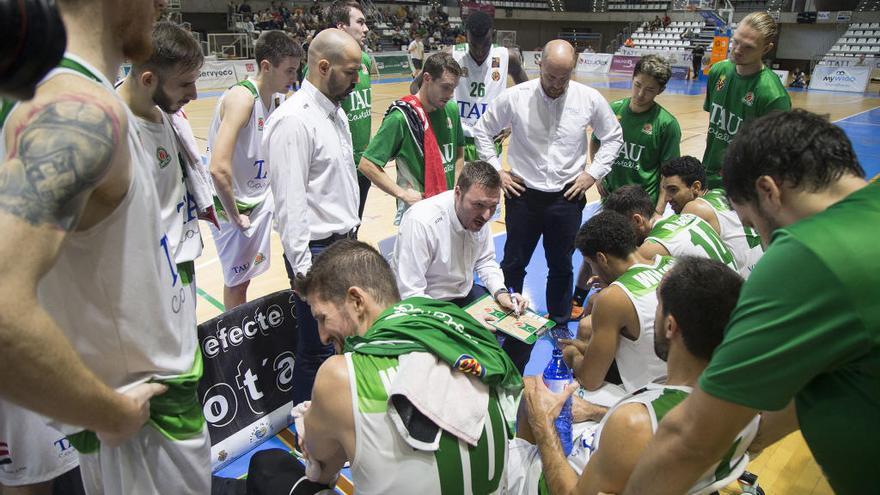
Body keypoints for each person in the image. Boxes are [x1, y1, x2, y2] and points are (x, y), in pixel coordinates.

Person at [0, 0, 212, 492]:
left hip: (139, 400)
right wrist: (108, 412)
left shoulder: (79, 94)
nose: (161, 6)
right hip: (142, 418)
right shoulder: (78, 110)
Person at [621, 109, 878, 495]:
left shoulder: (808, 255)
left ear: (769, 191)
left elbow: (691, 438)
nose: (760, 238)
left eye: (751, 223)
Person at [513, 257, 759, 495]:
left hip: (566, 480)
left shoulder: (632, 422)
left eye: (658, 308)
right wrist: (595, 411)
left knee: (531, 395)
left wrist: (543, 424)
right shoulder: (748, 404)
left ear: (671, 327)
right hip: (622, 463)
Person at [295, 239, 523, 493]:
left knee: (269, 467)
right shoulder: (461, 333)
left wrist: (313, 420)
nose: (322, 335)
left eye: (322, 318)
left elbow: (320, 468)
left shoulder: (338, 376)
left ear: (357, 301)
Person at [472, 40, 623, 372]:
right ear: (539, 63)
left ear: (574, 68)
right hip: (523, 194)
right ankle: (504, 314)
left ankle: (557, 322)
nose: (556, 84)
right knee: (513, 260)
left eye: (563, 77)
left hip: (567, 196)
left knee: (562, 265)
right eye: (551, 76)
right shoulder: (516, 96)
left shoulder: (589, 99)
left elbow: (613, 136)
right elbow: (482, 131)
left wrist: (592, 173)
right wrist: (497, 171)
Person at [264, 28, 362, 407]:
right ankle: (310, 435)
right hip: (317, 254)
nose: (357, 80)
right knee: (316, 349)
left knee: (342, 341)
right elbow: (290, 204)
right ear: (324, 67)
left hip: (342, 245)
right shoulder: (293, 120)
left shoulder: (333, 112)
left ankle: (335, 419)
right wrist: (304, 274)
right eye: (351, 72)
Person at [570, 54, 681, 320]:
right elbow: (596, 141)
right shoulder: (615, 110)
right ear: (632, 79)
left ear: (661, 91)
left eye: (650, 89)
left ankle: (619, 309)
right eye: (638, 84)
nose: (641, 94)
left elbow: (668, 173)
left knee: (626, 263)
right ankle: (577, 300)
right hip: (611, 200)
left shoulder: (666, 125)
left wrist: (658, 210)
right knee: (592, 255)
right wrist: (598, 174)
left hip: (639, 208)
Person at [207, 30, 301, 309]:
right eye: (289, 71)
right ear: (266, 66)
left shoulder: (276, 98)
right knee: (237, 283)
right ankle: (233, 342)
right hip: (234, 203)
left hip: (260, 196)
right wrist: (235, 216)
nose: (294, 78)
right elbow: (217, 168)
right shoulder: (242, 98)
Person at [392, 161, 527, 314]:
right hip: (428, 305)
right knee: (479, 335)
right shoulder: (421, 222)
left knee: (519, 331)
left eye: (492, 206)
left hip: (463, 295)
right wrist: (462, 322)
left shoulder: (479, 215)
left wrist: (501, 292)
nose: (486, 215)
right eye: (479, 205)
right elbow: (411, 295)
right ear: (458, 193)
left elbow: (485, 261)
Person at [561, 211, 668, 393]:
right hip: (691, 381)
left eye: (590, 263)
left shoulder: (614, 297)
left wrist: (575, 353)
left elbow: (590, 380)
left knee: (569, 353)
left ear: (602, 259)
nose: (593, 270)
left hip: (655, 393)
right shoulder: (669, 263)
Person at [358, 52, 465, 224]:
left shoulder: (451, 109)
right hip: (417, 214)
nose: (451, 94)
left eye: (454, 88)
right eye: (446, 87)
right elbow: (367, 164)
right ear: (427, 78)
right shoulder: (402, 117)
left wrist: (456, 187)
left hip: (448, 205)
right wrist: (402, 194)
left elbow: (459, 154)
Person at [409, 10, 529, 162]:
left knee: (488, 186)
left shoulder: (507, 57)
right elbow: (415, 87)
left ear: (492, 35)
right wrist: (437, 115)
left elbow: (528, 93)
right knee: (455, 186)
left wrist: (512, 122)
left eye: (485, 44)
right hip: (455, 139)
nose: (479, 51)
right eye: (473, 45)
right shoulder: (451, 54)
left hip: (490, 141)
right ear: (466, 36)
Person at [702, 11, 791, 189]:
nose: (737, 49)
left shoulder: (773, 97)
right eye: (736, 41)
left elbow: (773, 159)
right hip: (707, 177)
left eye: (748, 47)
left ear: (766, 49)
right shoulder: (718, 71)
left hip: (742, 188)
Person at [660, 156, 763, 278]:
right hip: (762, 272)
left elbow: (659, 250)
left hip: (741, 285)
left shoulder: (695, 209)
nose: (667, 198)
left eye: (673, 190)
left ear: (696, 187)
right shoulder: (722, 193)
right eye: (665, 191)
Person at [604, 185, 738, 273]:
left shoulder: (651, 248)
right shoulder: (689, 218)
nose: (620, 234)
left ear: (637, 220)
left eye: (621, 227)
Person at [326, 0, 374, 220]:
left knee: (356, 225)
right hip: (338, 170)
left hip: (363, 165)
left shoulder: (364, 59)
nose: (365, 29)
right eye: (360, 22)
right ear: (341, 27)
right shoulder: (323, 65)